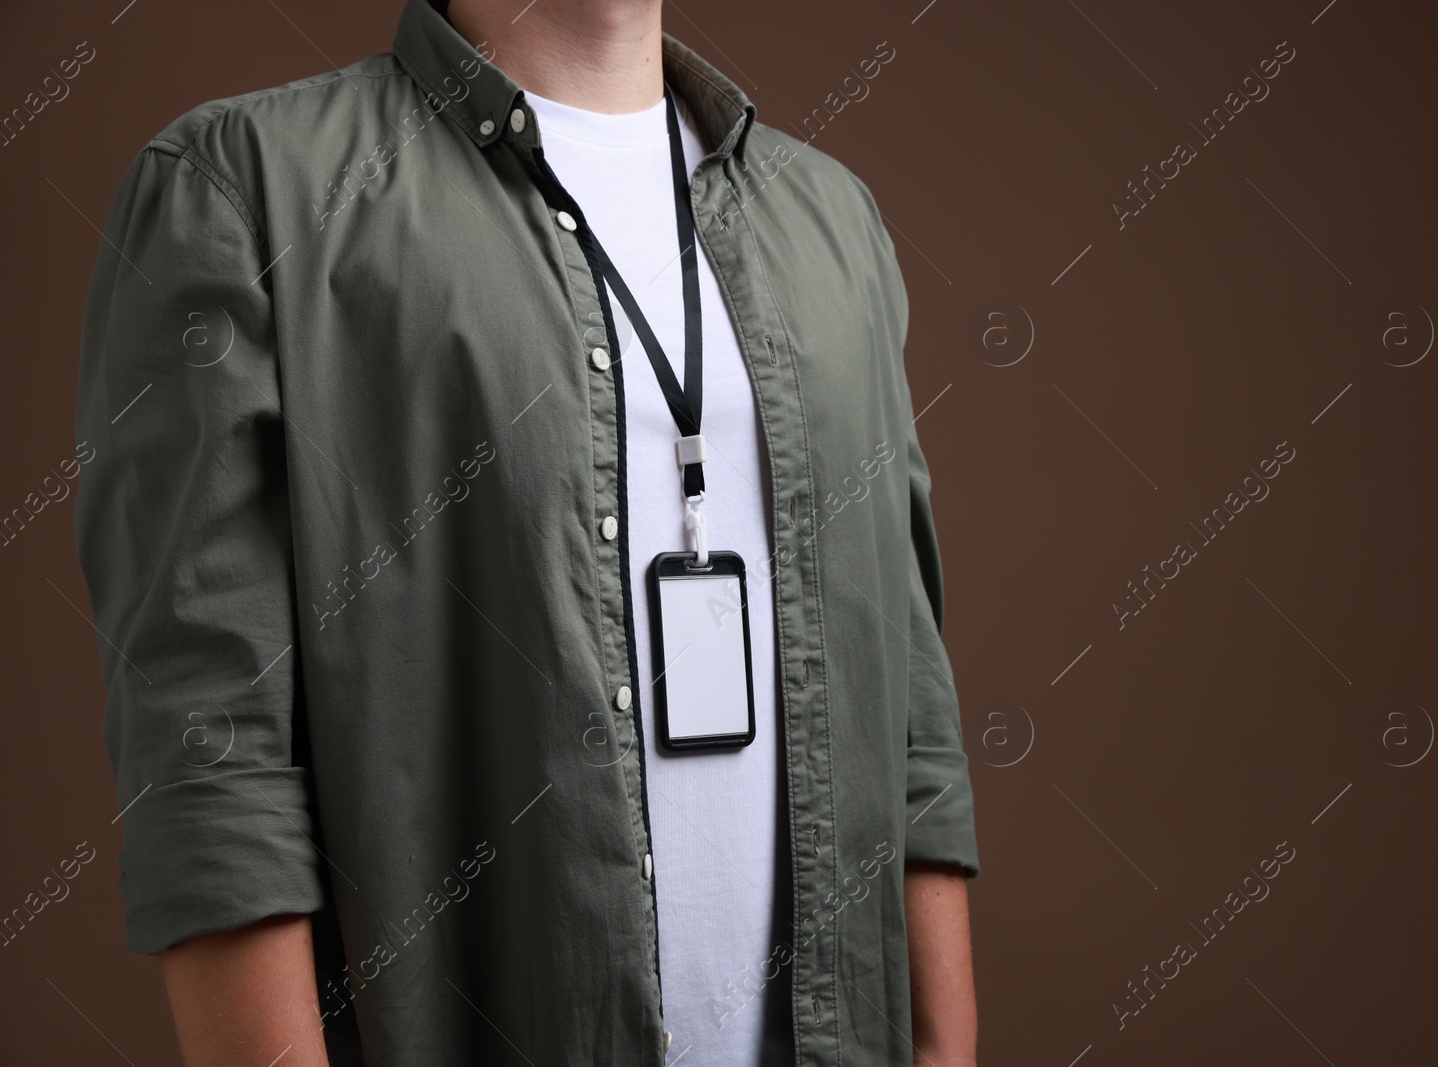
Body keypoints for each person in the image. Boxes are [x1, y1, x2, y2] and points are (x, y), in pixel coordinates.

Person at [72, 0, 980, 1063]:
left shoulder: (832, 217)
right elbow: (211, 759)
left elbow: (910, 705)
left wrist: (940, 1044)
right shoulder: (243, 185)